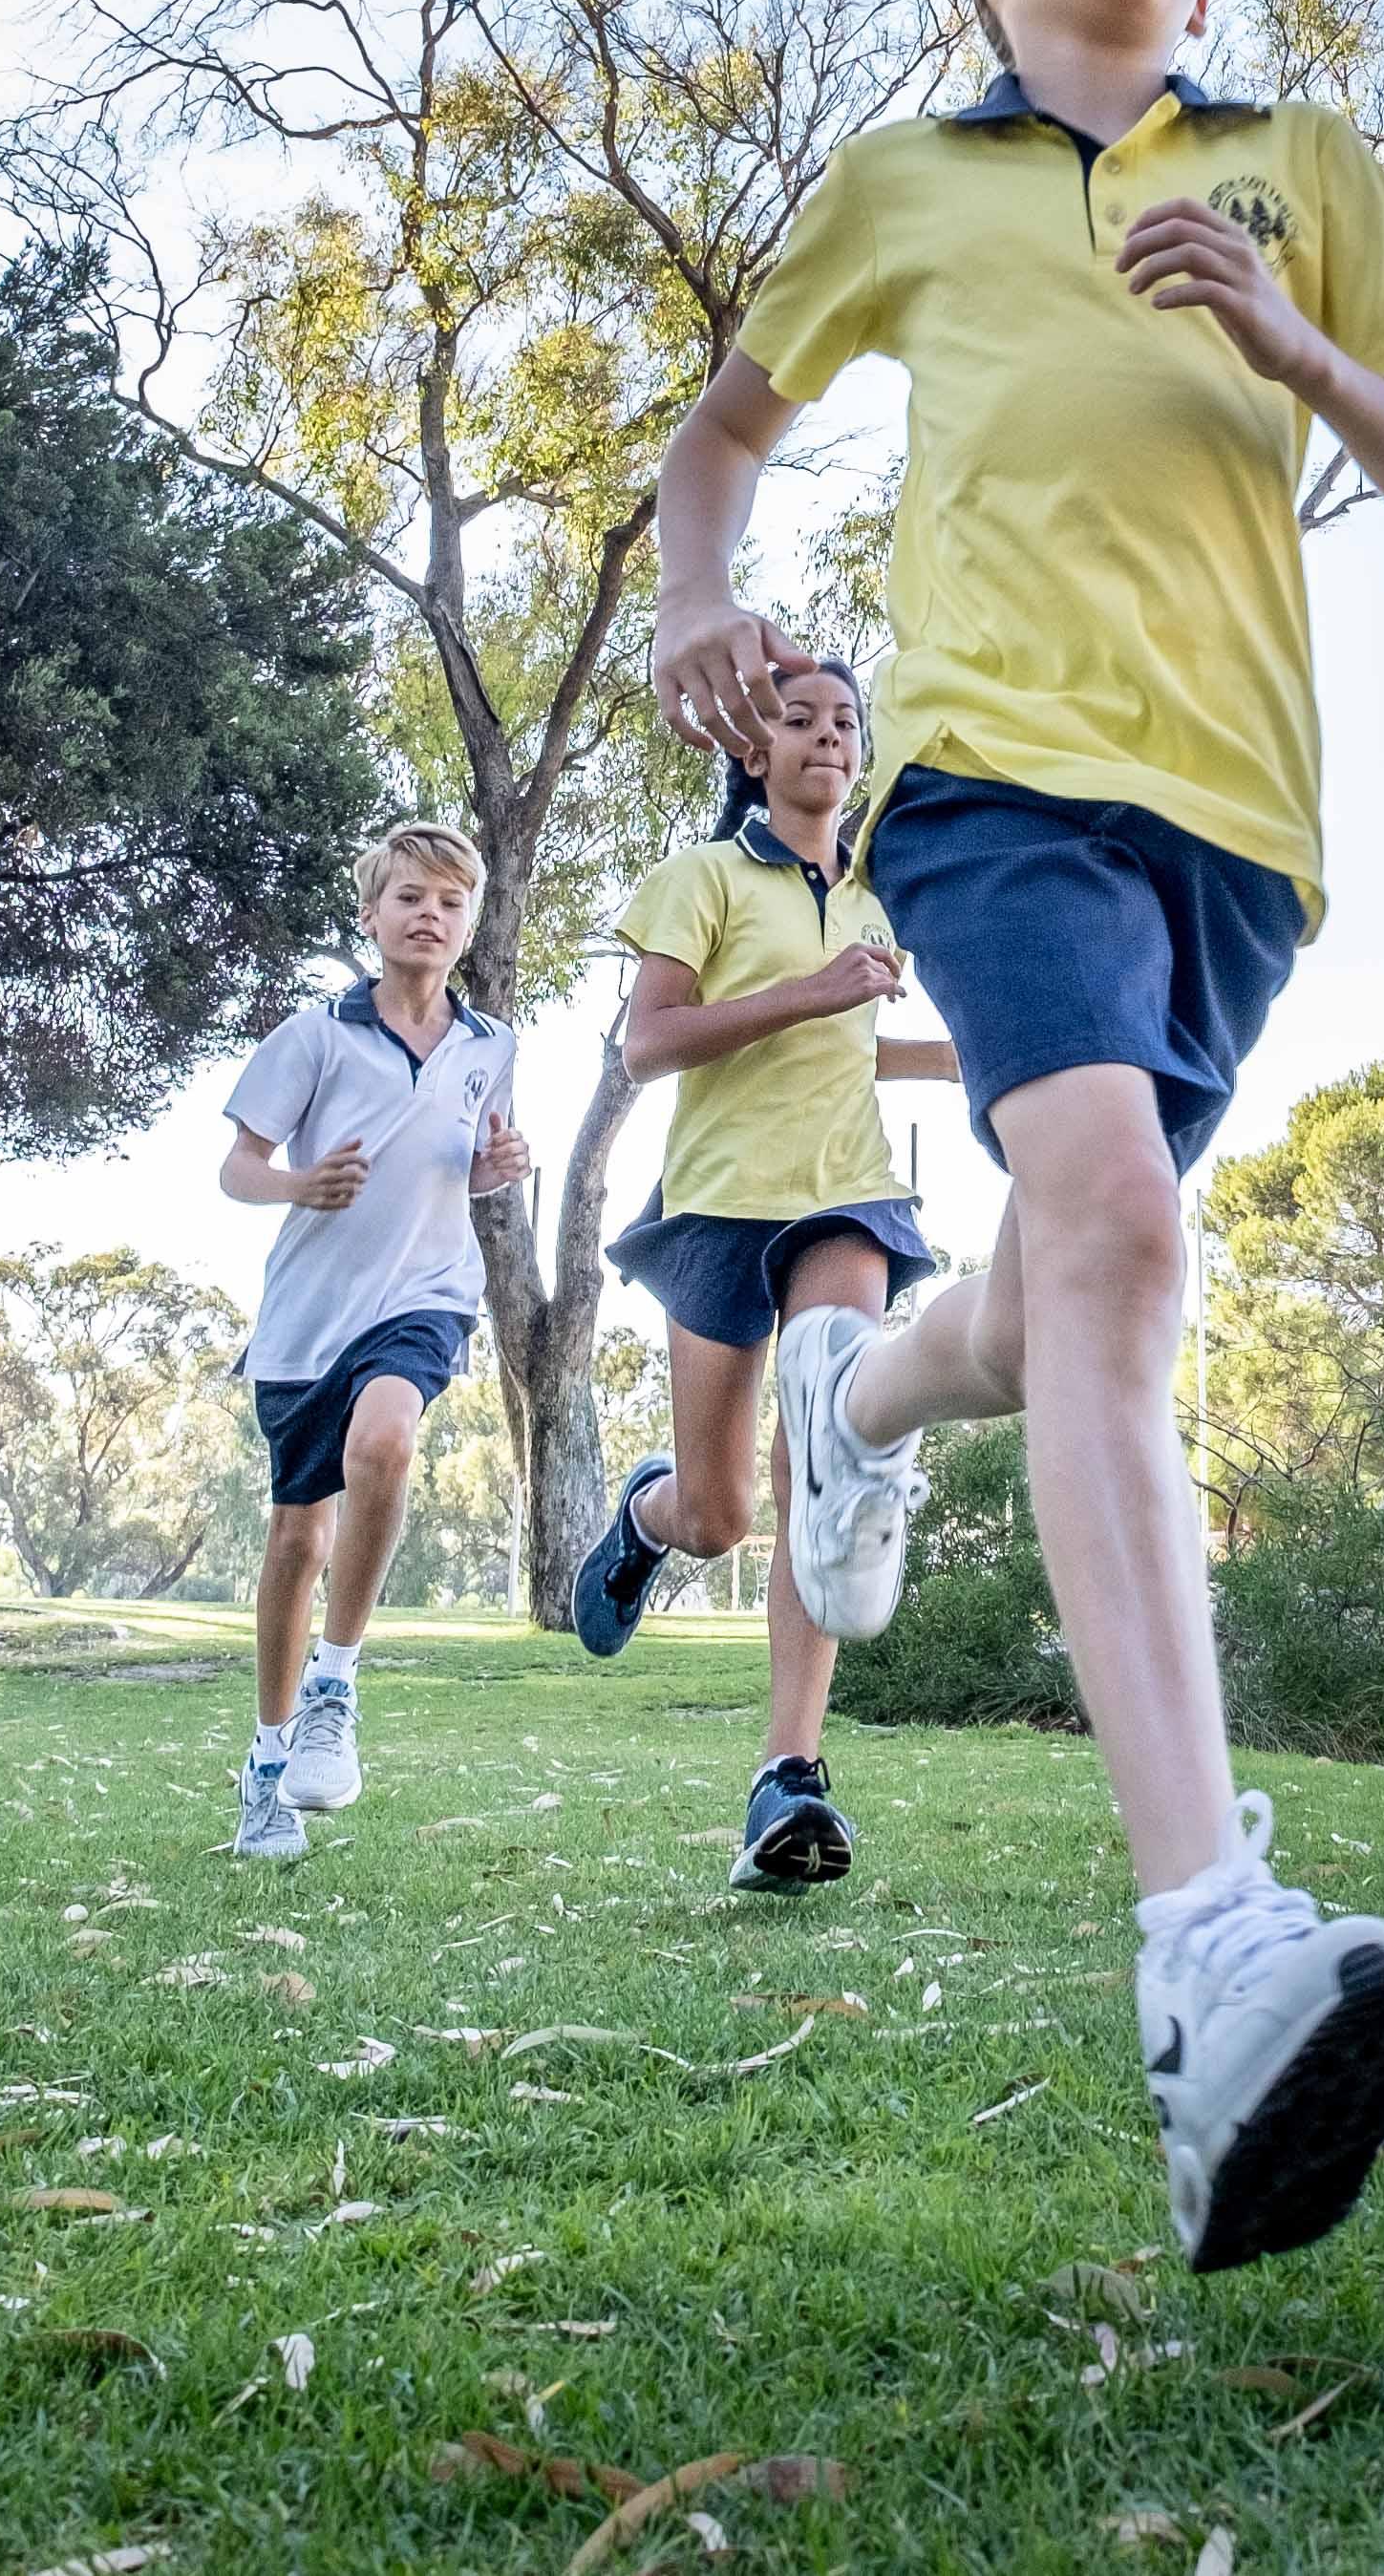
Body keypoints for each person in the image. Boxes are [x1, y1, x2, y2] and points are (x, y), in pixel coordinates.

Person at [647, 0, 1384, 2269]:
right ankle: (1206, 1946)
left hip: (1242, 836)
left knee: (1059, 1288)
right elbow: (724, 432)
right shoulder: (909, 188)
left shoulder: (1301, 160)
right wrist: (707, 594)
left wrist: (1287, 328)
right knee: (1120, 1233)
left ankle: (861, 1390)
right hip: (993, 778)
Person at [568, 659, 959, 1893]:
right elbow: (647, 1041)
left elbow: (852, 1044)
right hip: (718, 1204)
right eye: (800, 720)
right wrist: (806, 992)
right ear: (755, 749)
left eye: (846, 722)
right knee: (722, 1512)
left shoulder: (872, 899)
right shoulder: (701, 877)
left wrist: (960, 1059)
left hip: (842, 1193)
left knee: (823, 1455)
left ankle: (788, 1773)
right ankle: (649, 1515)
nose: (829, 738)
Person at [214, 822, 528, 1856]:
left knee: (388, 1440)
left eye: (448, 902)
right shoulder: (314, 1035)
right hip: (307, 1322)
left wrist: (495, 1170)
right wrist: (301, 1183)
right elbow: (238, 1171)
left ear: (468, 924)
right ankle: (268, 1764)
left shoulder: (493, 1047)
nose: (428, 916)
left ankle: (336, 1685)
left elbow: (467, 1164)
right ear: (370, 917)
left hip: (426, 1296)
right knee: (298, 1541)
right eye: (409, 899)